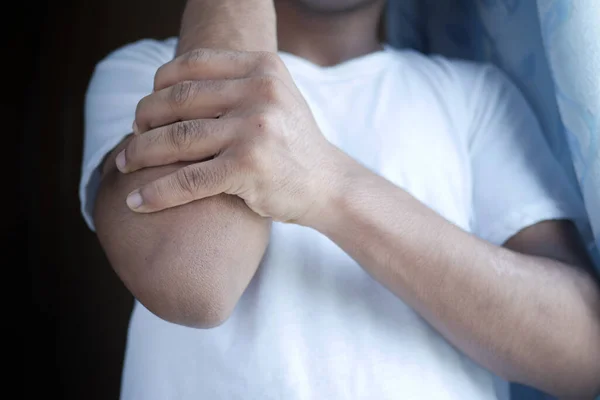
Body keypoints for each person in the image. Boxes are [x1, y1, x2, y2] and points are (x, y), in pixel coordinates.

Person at [80, 0, 600, 398]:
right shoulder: (152, 70)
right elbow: (197, 281)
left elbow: (585, 353)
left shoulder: (473, 95)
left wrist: (326, 185)